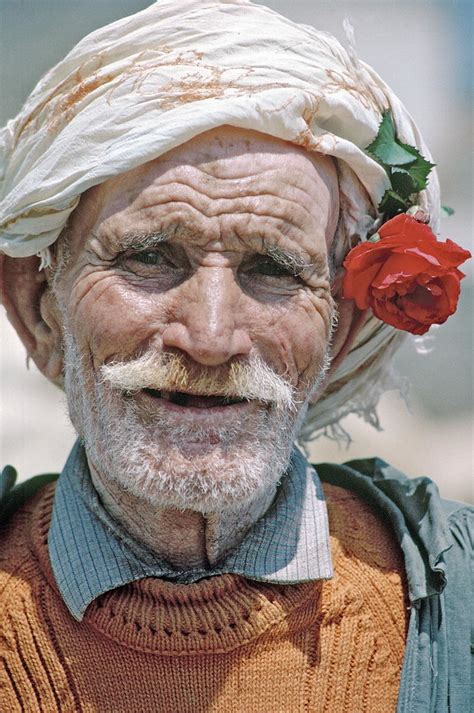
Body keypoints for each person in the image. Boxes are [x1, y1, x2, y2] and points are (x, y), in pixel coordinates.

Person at [0, 2, 471, 711]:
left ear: (339, 329)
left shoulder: (450, 608)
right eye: (151, 257)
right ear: (40, 306)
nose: (212, 337)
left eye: (274, 269)